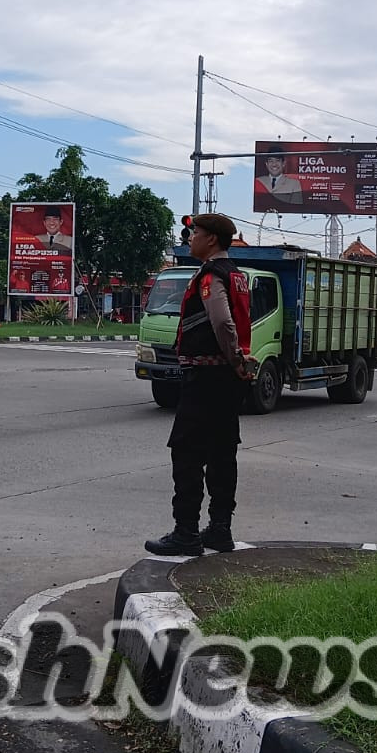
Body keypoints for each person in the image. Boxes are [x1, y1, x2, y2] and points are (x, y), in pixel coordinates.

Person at [145, 212, 254, 557]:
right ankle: (220, 529)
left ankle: (186, 532)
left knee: (187, 451)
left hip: (207, 377)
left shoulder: (211, 275)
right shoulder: (236, 274)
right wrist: (238, 364)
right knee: (223, 452)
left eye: (195, 233)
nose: (190, 238)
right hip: (226, 380)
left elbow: (222, 322)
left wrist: (235, 358)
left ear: (211, 239)